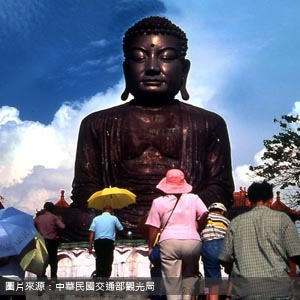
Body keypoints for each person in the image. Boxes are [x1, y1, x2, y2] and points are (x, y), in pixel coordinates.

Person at [70, 16, 234, 237]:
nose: (152, 67)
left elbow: (220, 187)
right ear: (126, 69)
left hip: (183, 218)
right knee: (68, 220)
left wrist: (173, 212)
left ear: (184, 70)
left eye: (166, 57)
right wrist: (114, 215)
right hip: (120, 220)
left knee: (241, 217)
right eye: (139, 57)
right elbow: (84, 188)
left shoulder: (208, 122)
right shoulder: (96, 123)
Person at [219, 181, 300, 300]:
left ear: (249, 200)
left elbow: (224, 257)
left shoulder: (236, 223)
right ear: (271, 200)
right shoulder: (283, 219)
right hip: (278, 290)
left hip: (244, 291)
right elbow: (296, 254)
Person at [146, 169, 208, 300]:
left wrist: (150, 246)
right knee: (190, 276)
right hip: (192, 240)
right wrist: (197, 227)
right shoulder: (194, 198)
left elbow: (154, 227)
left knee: (172, 283)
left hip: (169, 241)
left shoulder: (158, 202)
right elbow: (204, 213)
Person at [200, 202, 230, 300]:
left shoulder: (203, 219)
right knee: (232, 272)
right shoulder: (226, 220)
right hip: (224, 245)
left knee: (212, 282)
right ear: (222, 212)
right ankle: (229, 296)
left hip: (208, 246)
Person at [88, 205, 124, 278]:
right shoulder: (114, 218)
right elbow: (121, 228)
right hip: (109, 242)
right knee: (108, 261)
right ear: (111, 210)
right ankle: (106, 278)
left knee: (99, 260)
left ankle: (99, 277)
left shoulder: (96, 219)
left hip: (98, 242)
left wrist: (90, 246)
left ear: (103, 210)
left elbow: (92, 233)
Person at [34, 202, 65, 278]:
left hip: (41, 242)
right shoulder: (54, 218)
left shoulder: (38, 218)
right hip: (52, 242)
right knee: (53, 262)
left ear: (44, 209)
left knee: (41, 261)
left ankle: (40, 281)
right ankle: (53, 280)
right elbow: (62, 226)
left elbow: (33, 227)